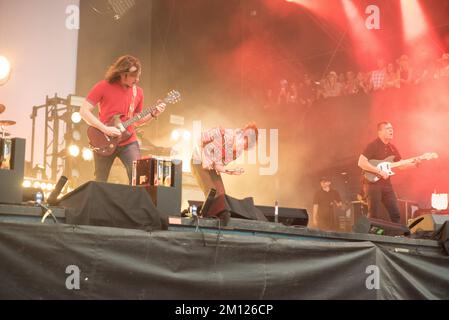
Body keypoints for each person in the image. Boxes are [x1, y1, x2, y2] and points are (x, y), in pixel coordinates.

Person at [80, 55, 165, 184]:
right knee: (100, 180)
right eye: (133, 75)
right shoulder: (103, 86)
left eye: (138, 75)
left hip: (128, 141)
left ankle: (136, 204)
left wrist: (154, 114)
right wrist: (105, 129)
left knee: (138, 179)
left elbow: (137, 120)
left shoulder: (138, 92)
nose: (137, 79)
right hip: (105, 140)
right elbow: (83, 111)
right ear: (122, 73)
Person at [357, 122, 419, 223]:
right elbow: (361, 162)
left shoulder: (392, 148)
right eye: (387, 128)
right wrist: (379, 171)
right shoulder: (373, 145)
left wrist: (415, 163)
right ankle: (371, 238)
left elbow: (401, 166)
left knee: (396, 213)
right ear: (379, 132)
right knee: (374, 214)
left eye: (392, 128)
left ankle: (397, 236)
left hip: (387, 185)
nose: (391, 130)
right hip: (371, 184)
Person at [191, 123, 258, 197]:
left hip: (211, 167)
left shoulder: (237, 153)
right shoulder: (222, 133)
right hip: (197, 161)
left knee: (222, 196)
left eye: (243, 147)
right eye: (240, 144)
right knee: (211, 193)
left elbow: (217, 165)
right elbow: (199, 139)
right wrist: (204, 157)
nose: (239, 148)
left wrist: (229, 171)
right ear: (239, 135)